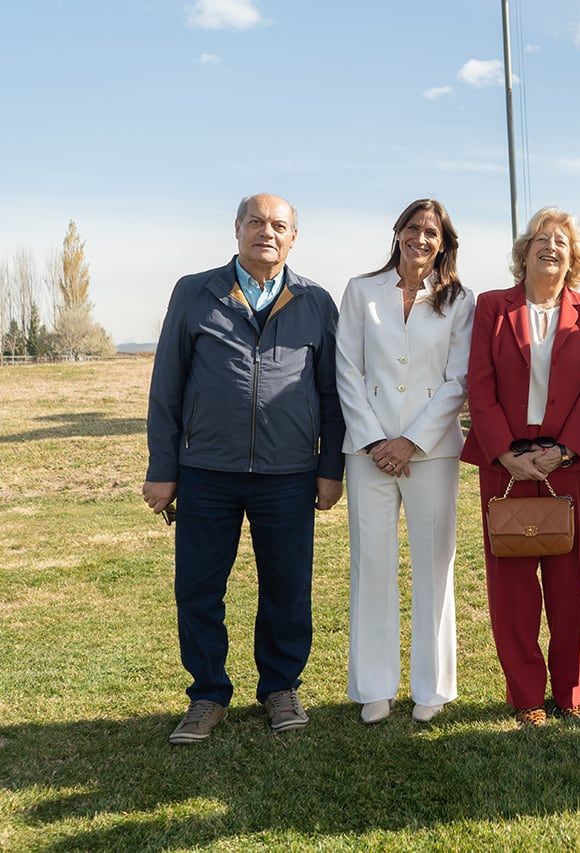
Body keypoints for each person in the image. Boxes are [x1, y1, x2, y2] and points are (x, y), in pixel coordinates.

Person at [142, 193, 344, 744]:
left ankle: (280, 687)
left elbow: (332, 395)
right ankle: (207, 694)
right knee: (198, 588)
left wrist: (330, 468)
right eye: (255, 221)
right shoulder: (194, 293)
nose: (267, 232)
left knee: (287, 586)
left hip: (289, 474)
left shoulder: (316, 302)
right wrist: (163, 468)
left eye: (279, 225)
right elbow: (167, 386)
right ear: (236, 230)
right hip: (206, 470)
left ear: (294, 239)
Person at [461, 207, 580, 727]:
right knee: (512, 580)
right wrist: (503, 452)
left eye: (561, 242)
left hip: (566, 464)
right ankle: (526, 696)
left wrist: (563, 450)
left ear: (574, 257)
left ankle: (568, 691)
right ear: (523, 253)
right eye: (541, 240)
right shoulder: (491, 307)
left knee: (572, 581)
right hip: (504, 465)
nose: (551, 247)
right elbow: (478, 383)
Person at [336, 199, 474, 726]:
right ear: (397, 232)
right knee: (372, 562)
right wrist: (376, 442)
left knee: (434, 567)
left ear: (444, 242)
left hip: (431, 452)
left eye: (432, 232)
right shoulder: (359, 291)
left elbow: (457, 380)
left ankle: (432, 685)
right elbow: (346, 369)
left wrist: (411, 442)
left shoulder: (460, 301)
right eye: (413, 227)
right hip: (367, 452)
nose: (422, 238)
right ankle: (374, 685)